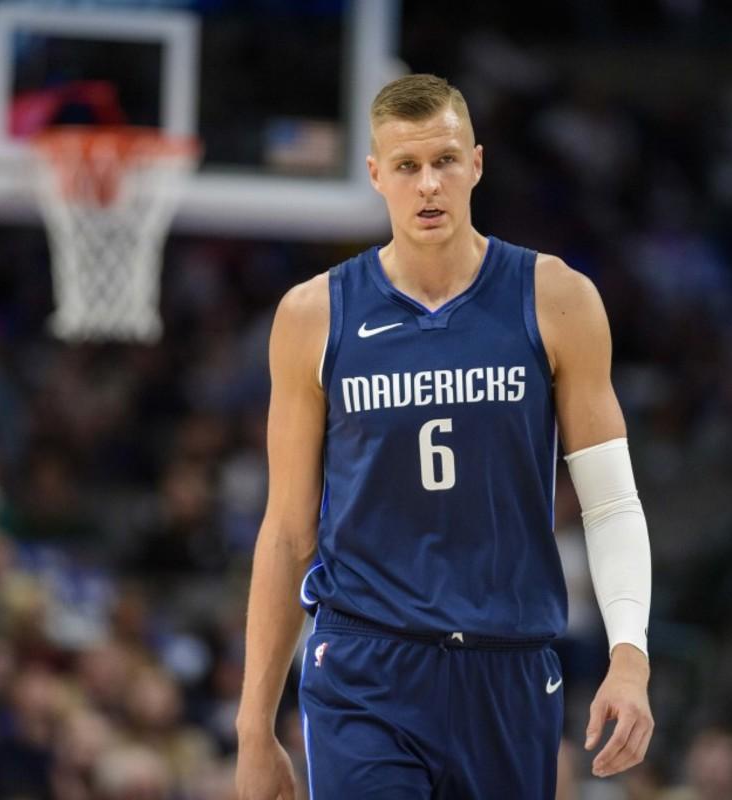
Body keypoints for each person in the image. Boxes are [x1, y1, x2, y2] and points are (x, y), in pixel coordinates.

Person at [235, 73, 654, 799]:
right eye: (407, 166)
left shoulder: (556, 298)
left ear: (477, 164)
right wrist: (253, 726)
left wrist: (630, 656)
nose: (428, 184)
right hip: (366, 666)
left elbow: (611, 502)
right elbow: (288, 532)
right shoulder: (313, 316)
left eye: (445, 161)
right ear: (376, 175)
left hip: (508, 665)